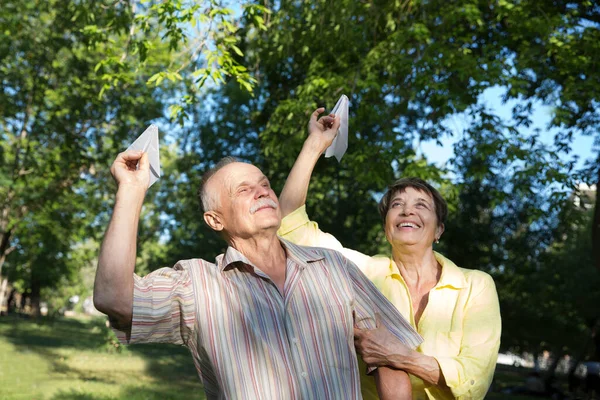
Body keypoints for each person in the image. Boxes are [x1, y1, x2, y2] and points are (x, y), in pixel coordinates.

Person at [93, 147, 423, 399]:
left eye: (264, 184)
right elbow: (113, 298)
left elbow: (388, 356)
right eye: (243, 189)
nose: (263, 190)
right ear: (215, 220)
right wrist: (132, 190)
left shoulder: (334, 266)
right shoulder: (196, 285)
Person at [277, 108, 502, 400]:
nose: (408, 210)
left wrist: (399, 355)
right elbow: (288, 225)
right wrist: (314, 146)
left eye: (421, 205)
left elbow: (474, 381)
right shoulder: (362, 272)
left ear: (438, 230)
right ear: (387, 230)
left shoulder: (476, 286)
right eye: (397, 205)